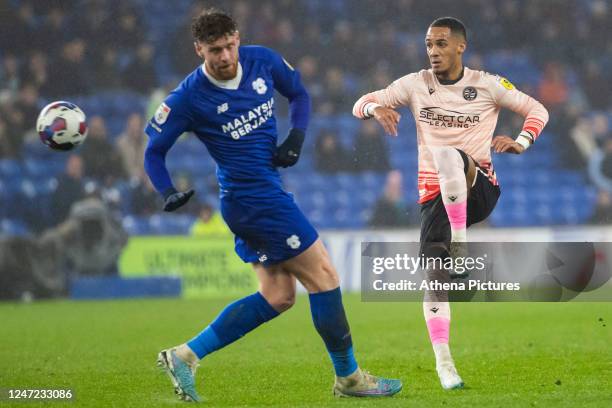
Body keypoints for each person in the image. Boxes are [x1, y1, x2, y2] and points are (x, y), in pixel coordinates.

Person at [144, 9, 401, 402]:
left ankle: (185, 355)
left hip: (258, 195)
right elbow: (154, 152)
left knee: (278, 296)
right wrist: (166, 192)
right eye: (216, 50)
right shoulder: (188, 97)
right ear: (199, 50)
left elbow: (298, 92)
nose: (227, 56)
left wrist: (296, 137)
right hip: (253, 199)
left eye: (230, 45)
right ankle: (349, 378)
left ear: (238, 38)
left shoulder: (261, 60)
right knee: (325, 275)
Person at [353, 17, 549, 390]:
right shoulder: (414, 84)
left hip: (479, 188)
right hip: (434, 198)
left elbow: (538, 110)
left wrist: (522, 142)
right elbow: (361, 101)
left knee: (447, 156)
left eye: (441, 44)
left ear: (460, 46)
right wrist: (374, 109)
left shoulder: (488, 84)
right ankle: (445, 363)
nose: (433, 51)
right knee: (435, 279)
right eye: (429, 44)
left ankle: (461, 242)